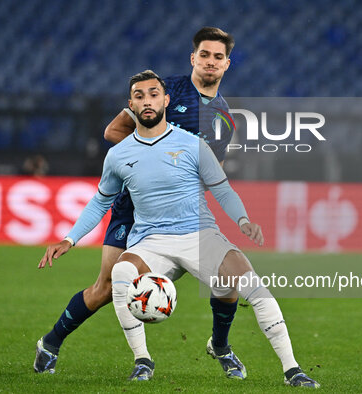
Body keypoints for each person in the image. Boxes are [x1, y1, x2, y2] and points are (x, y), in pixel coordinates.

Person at [38, 70, 319, 388]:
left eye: (154, 94)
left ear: (166, 100)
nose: (147, 100)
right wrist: (69, 238)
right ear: (131, 104)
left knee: (250, 287)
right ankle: (142, 360)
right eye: (140, 96)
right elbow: (101, 202)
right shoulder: (118, 155)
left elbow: (223, 189)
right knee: (118, 275)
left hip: (199, 235)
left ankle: (291, 369)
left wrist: (242, 220)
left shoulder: (193, 145)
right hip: (151, 241)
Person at [34, 27, 247, 379]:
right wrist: (150, 163)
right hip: (131, 208)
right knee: (105, 288)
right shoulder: (163, 91)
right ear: (194, 57)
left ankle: (220, 347)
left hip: (176, 216)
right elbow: (113, 132)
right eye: (204, 55)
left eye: (218, 57)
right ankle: (50, 343)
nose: (211, 62)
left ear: (227, 63)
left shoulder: (224, 117)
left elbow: (212, 172)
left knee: (224, 282)